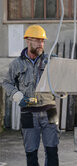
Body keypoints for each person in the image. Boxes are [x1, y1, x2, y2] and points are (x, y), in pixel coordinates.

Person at [3, 25, 59, 166]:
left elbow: (64, 75)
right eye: (37, 41)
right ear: (28, 41)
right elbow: (7, 83)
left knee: (52, 151)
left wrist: (60, 65)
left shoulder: (50, 61)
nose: (41, 44)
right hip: (28, 112)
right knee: (31, 153)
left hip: (50, 111)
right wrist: (18, 97)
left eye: (43, 41)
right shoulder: (16, 64)